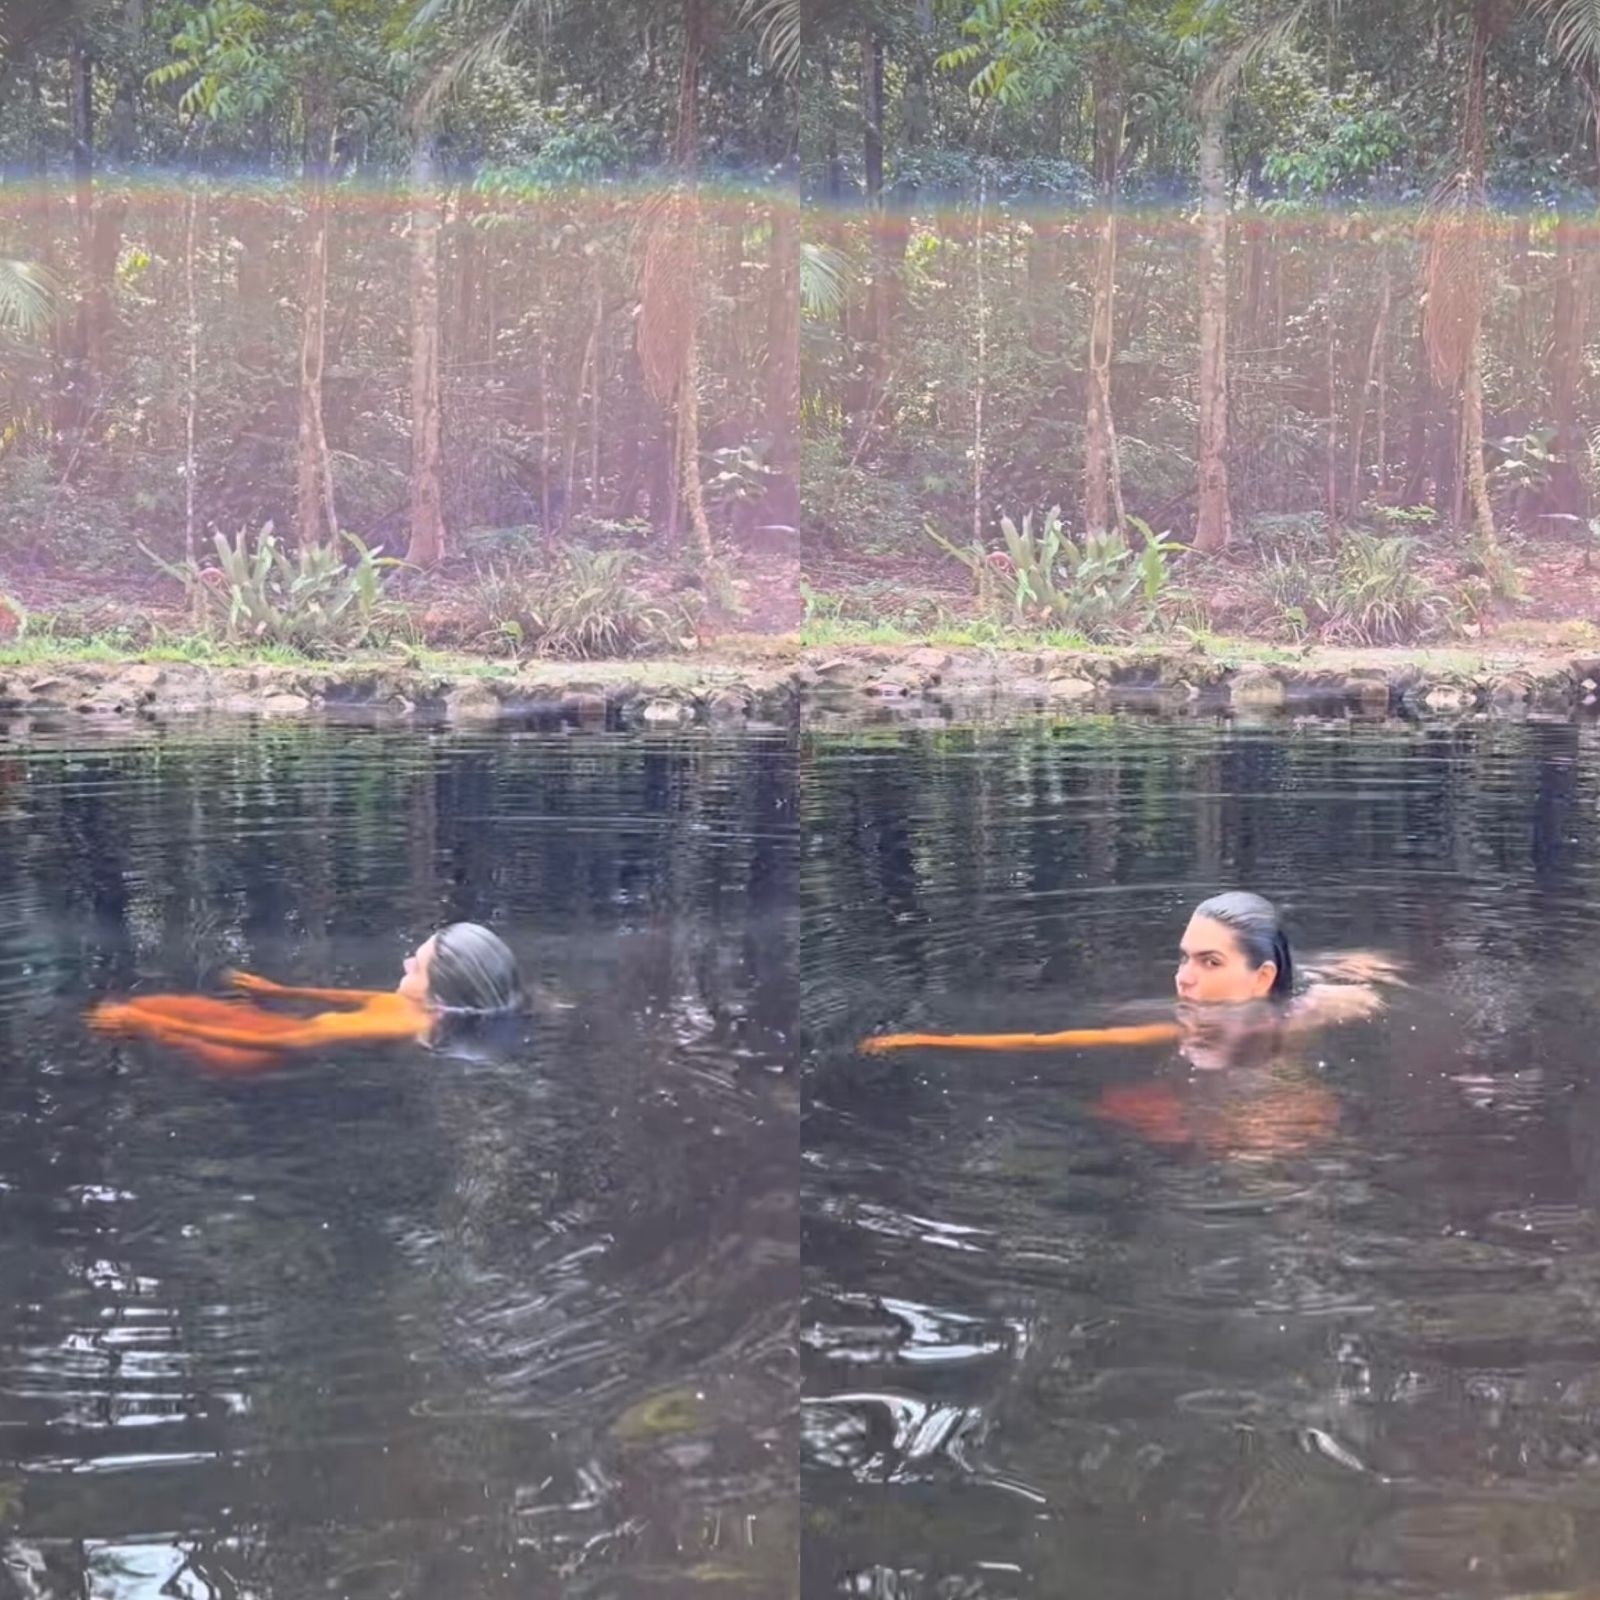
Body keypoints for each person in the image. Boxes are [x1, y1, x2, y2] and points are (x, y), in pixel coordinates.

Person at [858, 891, 1400, 1056]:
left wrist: (922, 1038)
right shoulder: (1246, 1002)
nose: (1183, 979)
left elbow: (1053, 1039)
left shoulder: (1220, 1030)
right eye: (1185, 957)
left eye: (1208, 962)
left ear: (1261, 978)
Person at [88, 921, 522, 1074]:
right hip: (278, 1030)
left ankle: (140, 1027)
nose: (407, 961)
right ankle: (137, 1021)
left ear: (439, 993)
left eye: (418, 965)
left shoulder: (406, 1021)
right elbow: (357, 995)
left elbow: (284, 1043)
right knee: (166, 1007)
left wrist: (157, 1028)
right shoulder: (415, 1003)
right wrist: (282, 990)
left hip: (260, 1051)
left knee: (149, 1014)